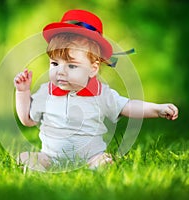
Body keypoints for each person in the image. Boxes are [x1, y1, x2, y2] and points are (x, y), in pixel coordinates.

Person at [14, 9, 178, 171]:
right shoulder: (46, 92)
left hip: (89, 157)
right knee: (24, 157)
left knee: (101, 161)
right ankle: (42, 169)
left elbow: (129, 106)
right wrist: (22, 92)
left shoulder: (101, 94)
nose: (60, 71)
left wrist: (157, 109)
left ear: (93, 69)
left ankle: (96, 165)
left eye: (72, 65)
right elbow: (27, 120)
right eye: (54, 64)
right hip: (51, 157)